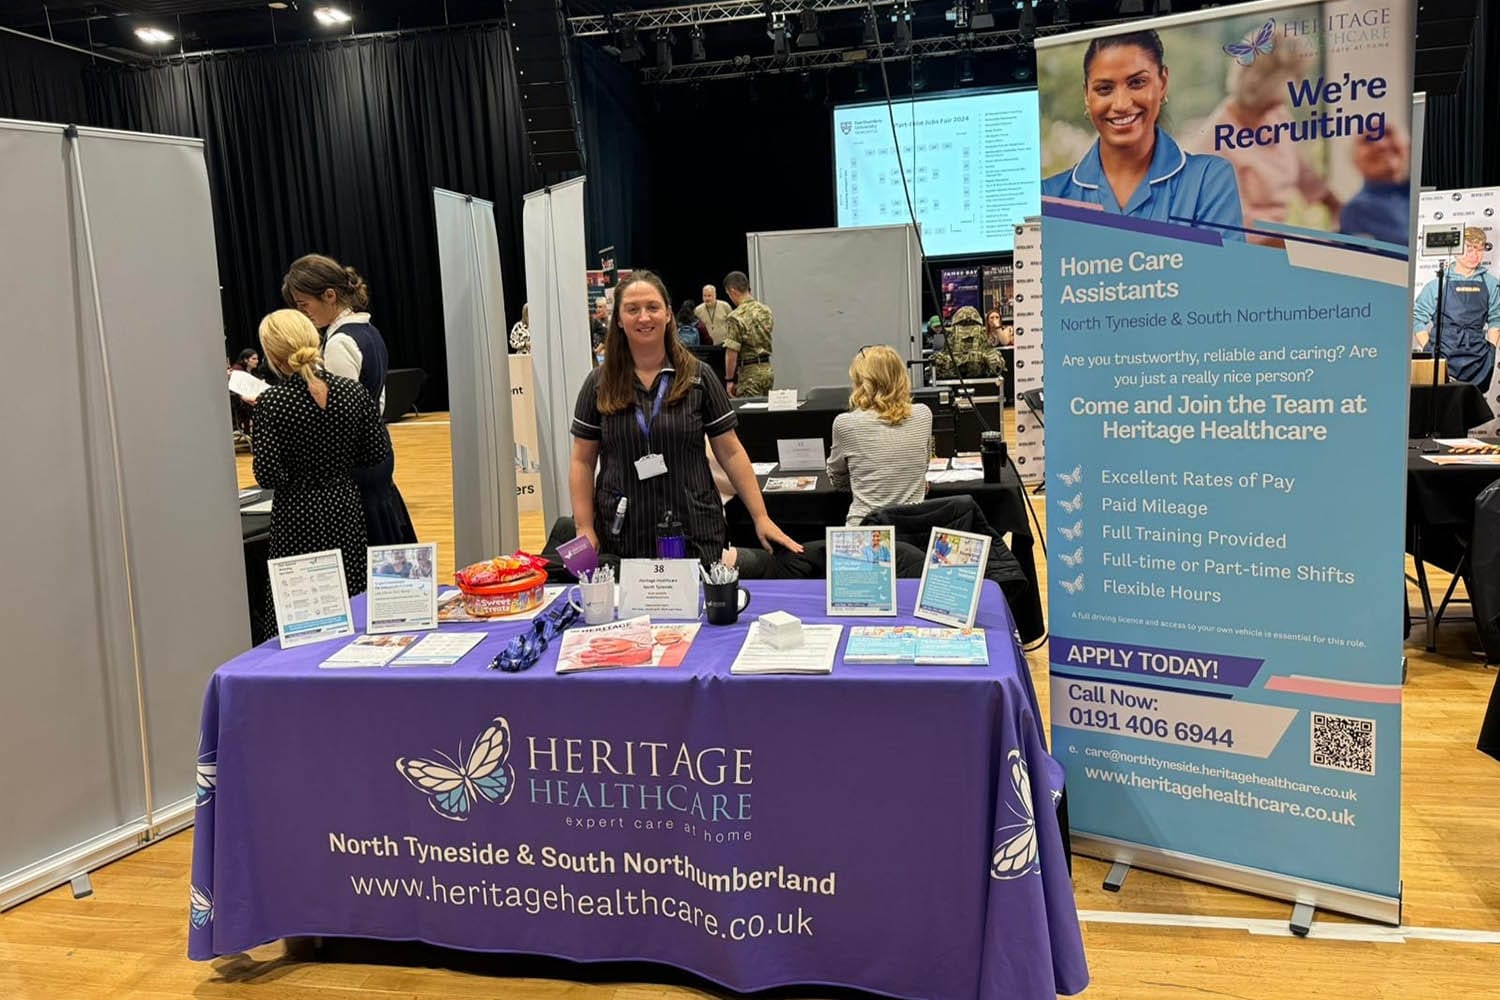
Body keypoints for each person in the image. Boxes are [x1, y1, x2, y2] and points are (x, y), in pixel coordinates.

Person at [569, 270, 801, 566]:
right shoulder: (598, 384)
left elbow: (730, 451)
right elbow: (582, 461)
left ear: (667, 315)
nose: (644, 317)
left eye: (652, 307)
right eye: (632, 309)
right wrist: (584, 528)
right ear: (618, 319)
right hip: (623, 535)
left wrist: (761, 517)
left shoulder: (699, 377)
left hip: (694, 530)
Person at [251, 310, 390, 641]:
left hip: (297, 514)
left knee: (297, 610)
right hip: (344, 506)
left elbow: (268, 474)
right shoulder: (352, 393)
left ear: (272, 355)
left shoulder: (272, 402)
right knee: (352, 596)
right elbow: (374, 454)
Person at [1042, 29, 1243, 237]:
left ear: (1162, 83)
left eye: (1137, 83)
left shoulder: (1208, 180)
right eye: (1104, 89)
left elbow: (1225, 269)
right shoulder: (1049, 196)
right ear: (1086, 95)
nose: (1121, 104)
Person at [282, 254, 417, 546]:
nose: (303, 313)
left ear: (329, 295)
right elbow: (376, 401)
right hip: (377, 447)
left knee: (367, 541)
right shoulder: (368, 332)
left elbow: (341, 416)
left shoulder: (340, 342)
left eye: (304, 305)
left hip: (358, 459)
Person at [1189, 39, 1339, 246]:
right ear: (1270, 84)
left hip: (1281, 239)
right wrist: (1302, 246)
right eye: (1296, 77)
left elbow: (1303, 171)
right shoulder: (1215, 143)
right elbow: (1235, 223)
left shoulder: (1277, 115)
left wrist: (1335, 204)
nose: (1300, 84)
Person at [827, 345, 933, 526]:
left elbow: (838, 479)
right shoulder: (923, 414)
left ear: (861, 382)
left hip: (864, 532)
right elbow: (923, 465)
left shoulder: (845, 423)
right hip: (914, 531)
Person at [1413, 228, 1500, 392]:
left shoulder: (1491, 283)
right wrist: (1429, 349)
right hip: (1443, 354)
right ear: (1456, 251)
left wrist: (1491, 350)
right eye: (1469, 250)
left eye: (1479, 250)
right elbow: (1417, 318)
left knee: (1471, 410)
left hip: (1478, 356)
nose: (1474, 255)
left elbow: (1497, 319)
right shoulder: (1438, 283)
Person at [1340, 127, 1412, 247]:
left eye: (1388, 134)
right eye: (1367, 140)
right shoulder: (1358, 210)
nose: (1382, 144)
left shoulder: (1429, 192)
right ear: (1355, 161)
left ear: (1407, 147)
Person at [720, 271, 775, 396]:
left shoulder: (735, 316)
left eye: (729, 294)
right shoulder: (765, 310)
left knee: (750, 413)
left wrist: (729, 380)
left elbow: (731, 352)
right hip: (767, 371)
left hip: (749, 374)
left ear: (733, 291)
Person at [933, 306, 1004, 380]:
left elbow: (993, 356)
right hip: (954, 375)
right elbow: (939, 358)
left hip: (979, 376)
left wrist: (991, 360)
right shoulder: (949, 335)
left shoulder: (982, 334)